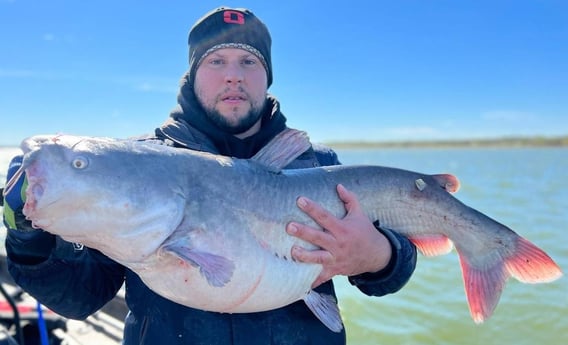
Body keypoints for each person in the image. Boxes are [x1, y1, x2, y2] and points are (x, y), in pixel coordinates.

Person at [2, 7, 417, 345]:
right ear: (193, 74)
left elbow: (389, 272)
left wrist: (380, 257)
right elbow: (78, 297)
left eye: (248, 62)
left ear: (266, 76)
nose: (233, 74)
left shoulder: (317, 164)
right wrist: (25, 234)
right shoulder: (139, 165)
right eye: (216, 60)